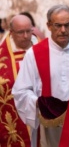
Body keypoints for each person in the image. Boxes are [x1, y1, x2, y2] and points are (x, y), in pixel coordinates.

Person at [12, 4, 69, 147]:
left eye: (67, 25)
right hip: (49, 126)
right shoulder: (34, 54)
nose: (63, 30)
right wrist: (40, 103)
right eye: (58, 25)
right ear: (49, 25)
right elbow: (20, 91)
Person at [0, 14, 38, 146]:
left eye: (29, 31)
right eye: (21, 32)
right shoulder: (2, 57)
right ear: (11, 33)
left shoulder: (42, 49)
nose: (26, 36)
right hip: (15, 124)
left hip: (41, 117)